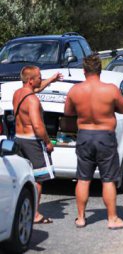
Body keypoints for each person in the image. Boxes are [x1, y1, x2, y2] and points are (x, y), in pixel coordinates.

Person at [64, 54, 123, 229]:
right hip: (105, 136)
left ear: (84, 71)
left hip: (84, 135)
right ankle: (112, 219)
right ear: (100, 70)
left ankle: (80, 218)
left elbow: (68, 112)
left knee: (83, 178)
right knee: (108, 179)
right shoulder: (110, 89)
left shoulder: (75, 90)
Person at [13, 66, 63, 224]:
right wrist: (48, 142)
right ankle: (34, 214)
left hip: (18, 139)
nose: (41, 79)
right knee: (38, 179)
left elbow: (37, 88)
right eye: (39, 77)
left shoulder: (18, 94)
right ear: (30, 80)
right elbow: (38, 125)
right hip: (32, 142)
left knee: (23, 177)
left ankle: (20, 209)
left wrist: (51, 80)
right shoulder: (33, 100)